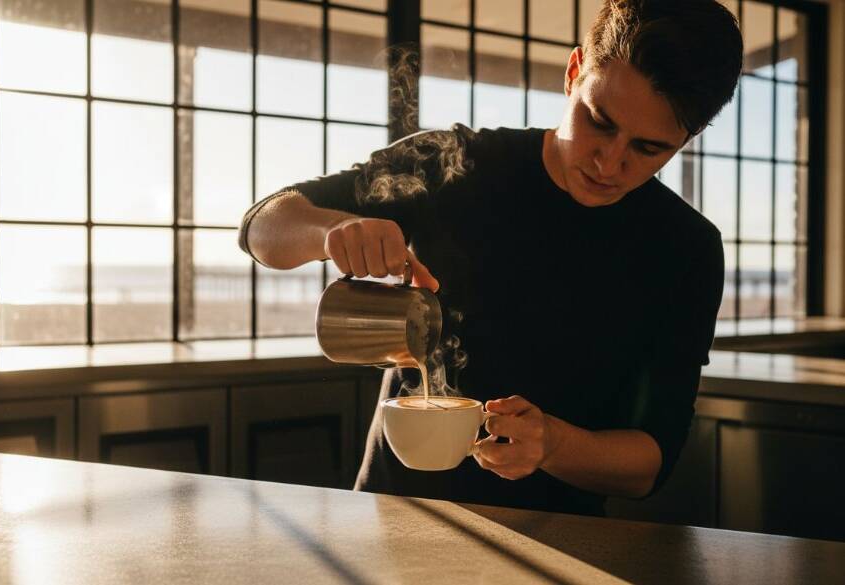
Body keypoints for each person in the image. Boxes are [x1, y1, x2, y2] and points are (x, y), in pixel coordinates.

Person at [239, 0, 743, 516]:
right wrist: (332, 229)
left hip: (560, 540)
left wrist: (554, 445)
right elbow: (262, 228)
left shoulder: (685, 249)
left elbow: (650, 465)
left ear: (687, 137)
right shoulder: (456, 165)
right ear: (574, 73)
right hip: (390, 514)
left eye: (648, 149)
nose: (608, 162)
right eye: (599, 121)